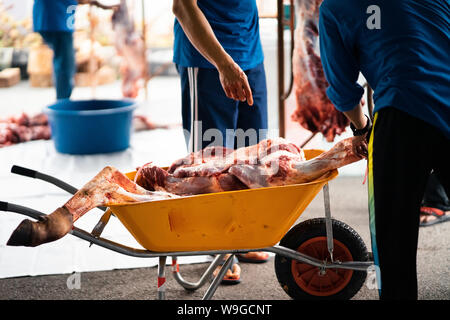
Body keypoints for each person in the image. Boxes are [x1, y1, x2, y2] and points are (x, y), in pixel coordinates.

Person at [318, 0, 449, 300]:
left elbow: (341, 86)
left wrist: (362, 128)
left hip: (401, 113)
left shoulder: (335, 7)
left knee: (394, 240)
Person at [172, 0, 269, 284]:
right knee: (209, 163)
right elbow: (182, 7)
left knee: (251, 153)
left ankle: (241, 237)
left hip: (250, 51)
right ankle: (218, 248)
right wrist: (223, 63)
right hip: (207, 61)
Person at [32, 0, 116, 100]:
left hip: (56, 19)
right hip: (55, 20)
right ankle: (63, 103)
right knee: (65, 64)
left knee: (63, 62)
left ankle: (62, 101)